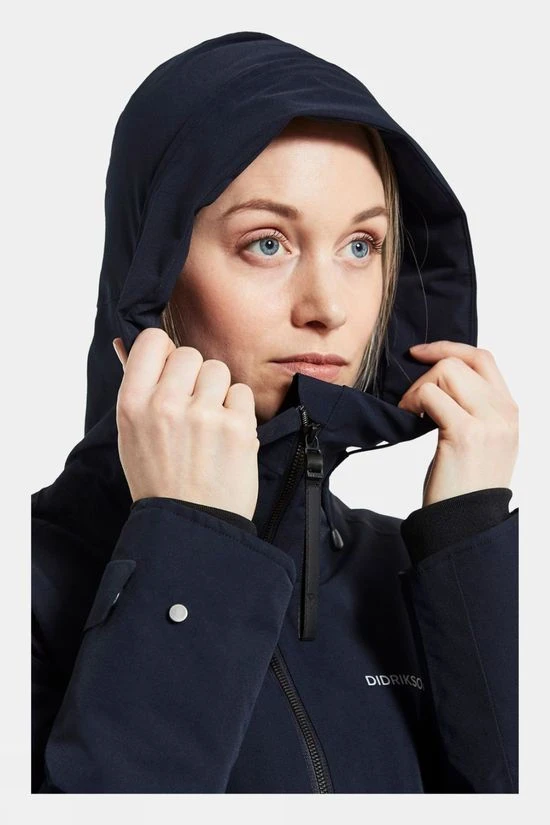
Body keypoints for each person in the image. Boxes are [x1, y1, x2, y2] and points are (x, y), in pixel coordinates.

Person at [31, 30, 519, 794]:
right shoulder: (31, 580)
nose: (329, 307)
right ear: (153, 267)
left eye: (360, 246)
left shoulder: (414, 571)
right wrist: (187, 543)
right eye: (267, 243)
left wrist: (468, 542)